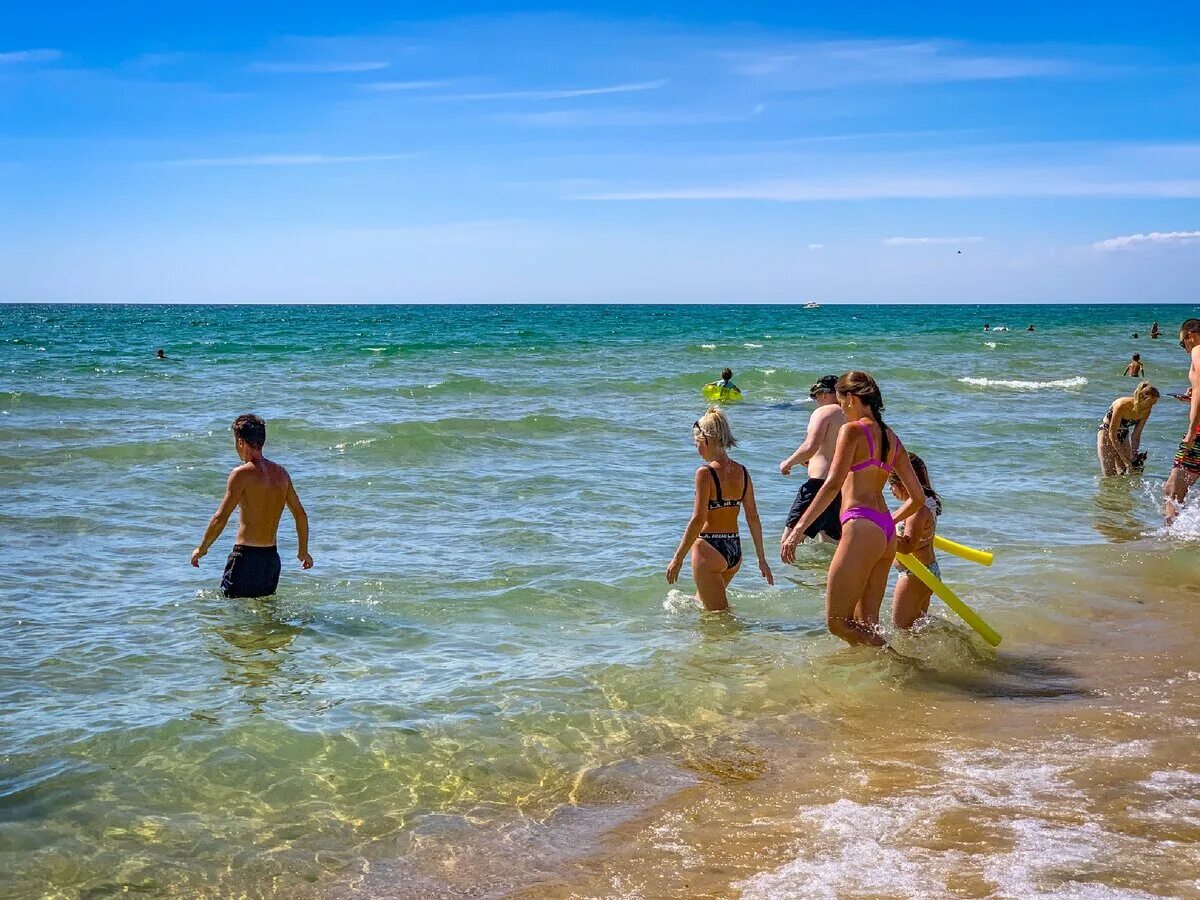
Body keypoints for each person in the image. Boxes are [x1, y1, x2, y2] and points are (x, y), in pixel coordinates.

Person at [781, 372, 924, 646]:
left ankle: (903, 665)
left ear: (853, 398)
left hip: (861, 526)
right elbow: (916, 497)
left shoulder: (853, 430)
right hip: (884, 531)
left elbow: (832, 484)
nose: (841, 407)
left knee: (837, 623)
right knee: (867, 622)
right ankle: (877, 677)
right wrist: (889, 521)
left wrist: (799, 529)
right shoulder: (891, 437)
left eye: (842, 400)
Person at [191, 414, 313, 597]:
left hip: (245, 558)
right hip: (270, 561)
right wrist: (303, 551)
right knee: (264, 617)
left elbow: (220, 517)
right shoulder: (281, 474)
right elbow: (300, 515)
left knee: (232, 617)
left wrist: (202, 549)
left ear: (240, 442)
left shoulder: (241, 474)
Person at [667, 407, 772, 610]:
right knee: (704, 607)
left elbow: (698, 520)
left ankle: (745, 639)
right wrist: (761, 559)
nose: (697, 449)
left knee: (719, 617)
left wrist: (677, 559)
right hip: (734, 550)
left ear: (706, 440)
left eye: (697, 443)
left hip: (709, 548)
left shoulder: (705, 473)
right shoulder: (742, 471)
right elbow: (753, 517)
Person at [779, 375, 846, 543]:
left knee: (788, 541)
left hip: (818, 485)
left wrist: (788, 463)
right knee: (830, 542)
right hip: (841, 486)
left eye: (816, 395)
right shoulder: (849, 415)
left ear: (824, 393)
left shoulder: (824, 412)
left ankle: (786, 570)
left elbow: (811, 446)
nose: (816, 400)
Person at [889, 454, 943, 629]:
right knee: (917, 629)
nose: (891, 491)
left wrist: (879, 534)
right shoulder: (926, 502)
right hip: (926, 571)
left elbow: (907, 546)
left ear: (903, 484)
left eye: (891, 486)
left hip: (914, 575)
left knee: (901, 629)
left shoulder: (916, 511)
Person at [1165, 319, 1200, 522]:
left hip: (1198, 431)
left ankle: (1170, 538)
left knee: (1172, 489)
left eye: (1182, 343)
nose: (1185, 349)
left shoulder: (1197, 350)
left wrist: (1192, 430)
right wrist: (1193, 396)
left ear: (1190, 336)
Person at [1097, 382, 1159, 477]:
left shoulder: (1147, 410)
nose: (1151, 407)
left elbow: (1136, 435)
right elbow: (1112, 434)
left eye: (1153, 404)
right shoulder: (1122, 405)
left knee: (1124, 473)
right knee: (1110, 476)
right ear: (1143, 398)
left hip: (1123, 434)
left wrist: (1134, 456)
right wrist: (1125, 460)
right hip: (1107, 434)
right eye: (1150, 403)